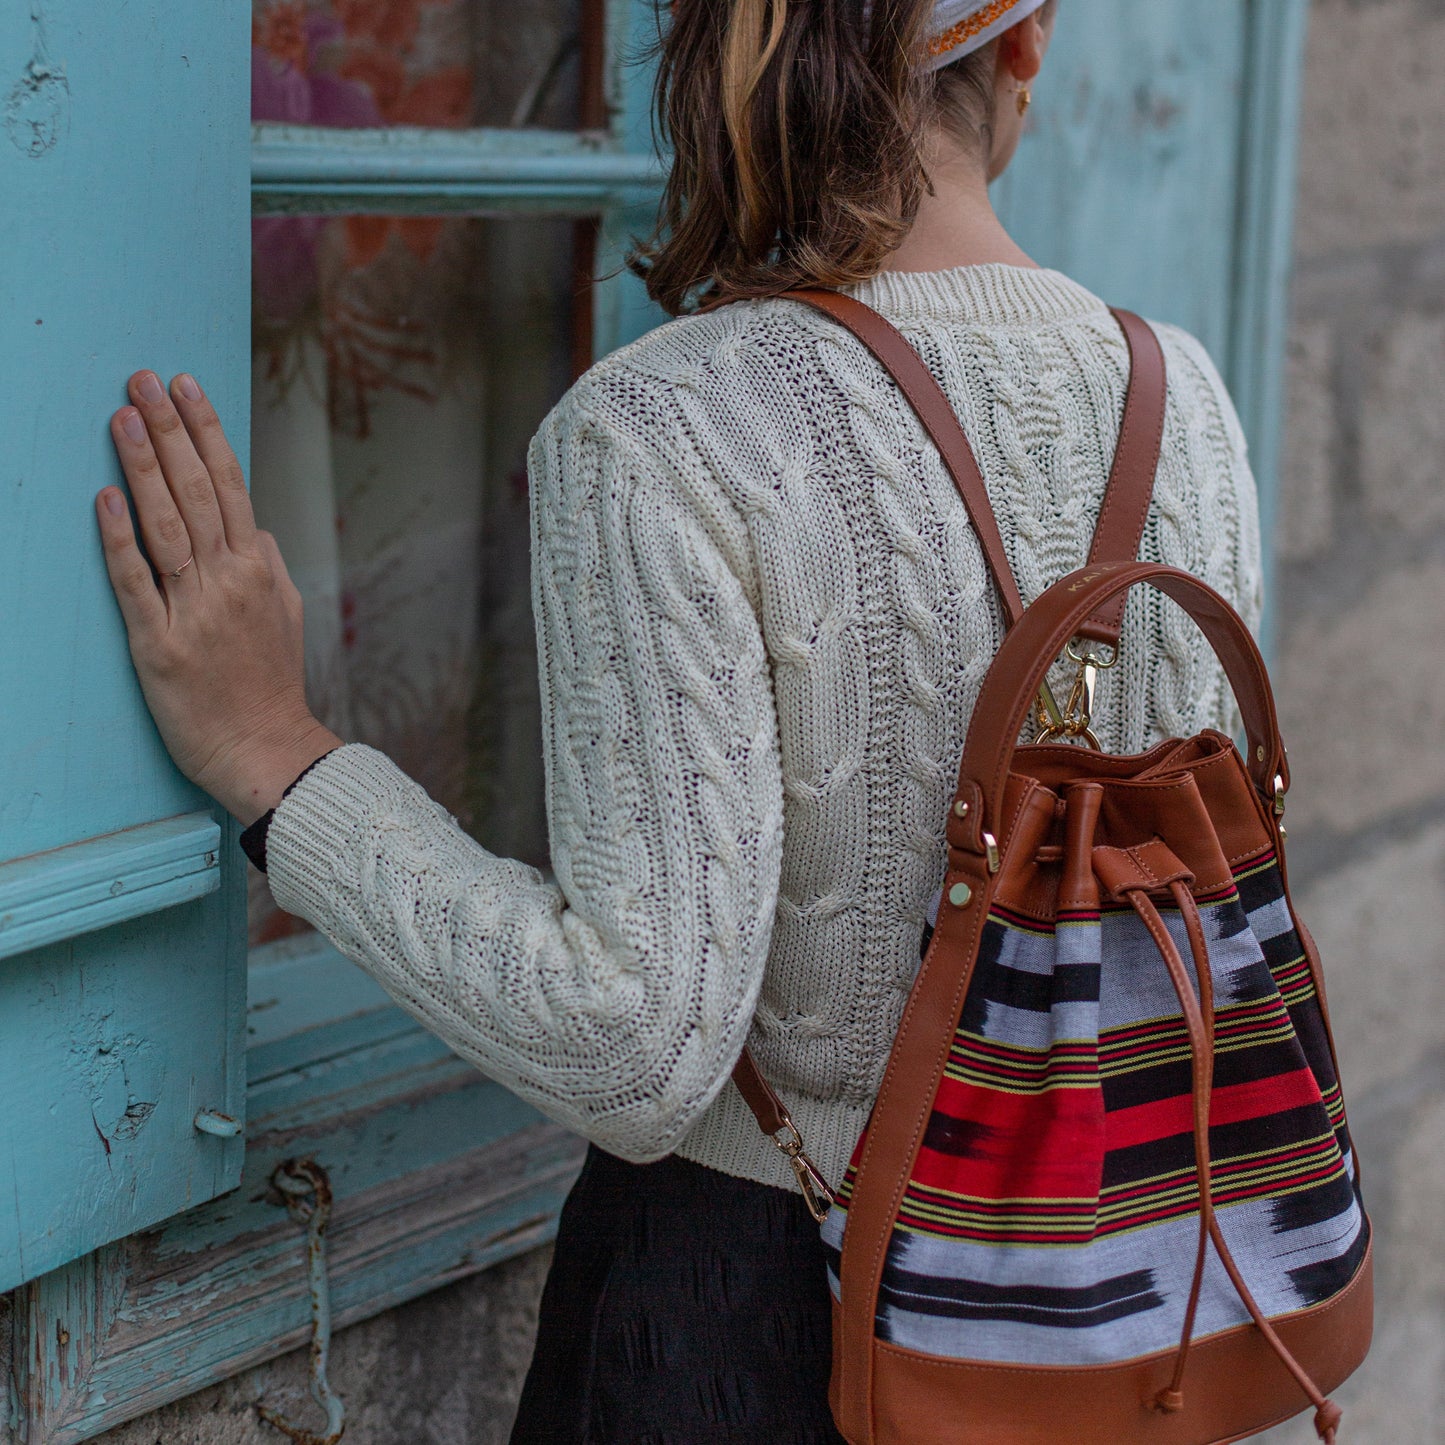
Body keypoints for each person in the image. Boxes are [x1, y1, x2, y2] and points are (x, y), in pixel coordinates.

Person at [92, 0, 1262, 1439]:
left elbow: (633, 1055)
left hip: (762, 1319)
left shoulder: (663, 427)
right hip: (1118, 1288)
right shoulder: (1184, 395)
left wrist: (272, 752)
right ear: (1021, 47)